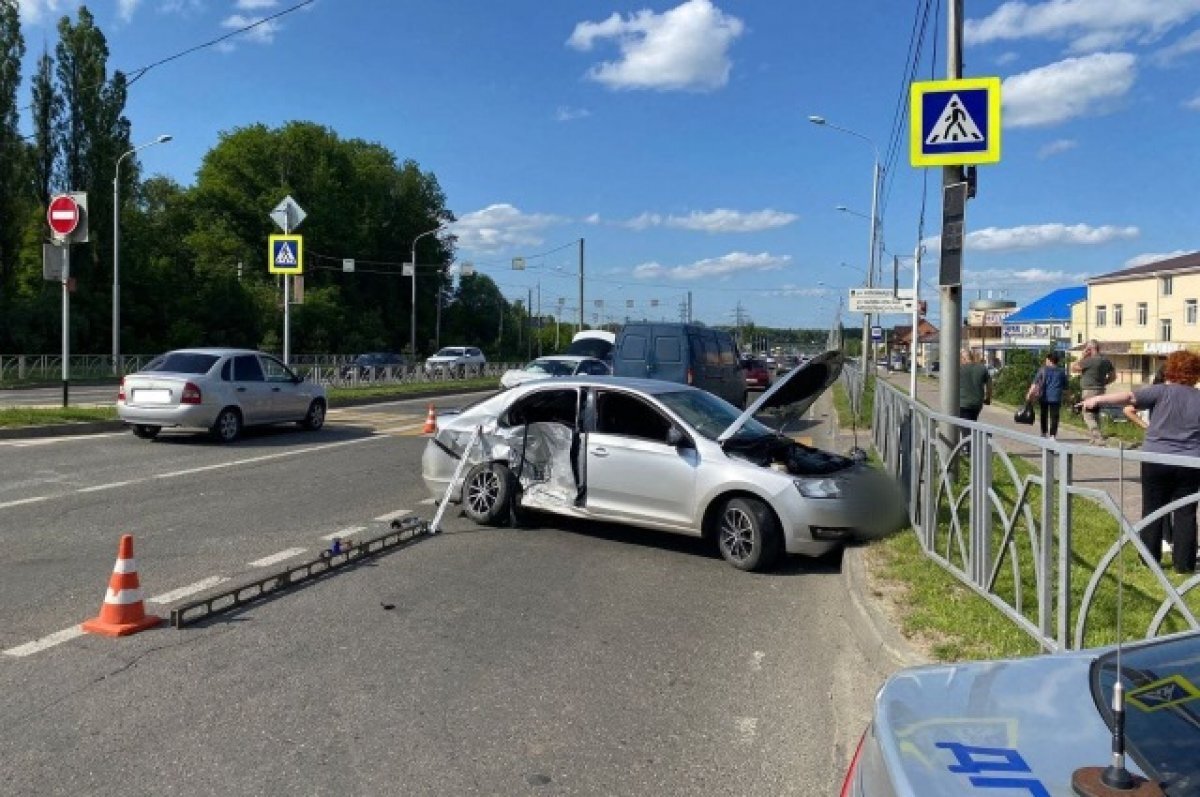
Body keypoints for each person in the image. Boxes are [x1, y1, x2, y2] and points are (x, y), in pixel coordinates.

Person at [1081, 350, 1200, 573]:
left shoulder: (1160, 392)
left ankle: (1149, 560)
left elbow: (1128, 398)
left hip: (1156, 460)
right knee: (1186, 513)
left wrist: (1096, 398)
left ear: (1171, 369)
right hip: (1191, 463)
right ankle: (1184, 565)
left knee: (1153, 509)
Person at [1072, 339, 1117, 444]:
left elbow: (1073, 368)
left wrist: (1082, 356)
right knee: (1095, 413)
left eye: (1086, 348)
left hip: (1089, 391)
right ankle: (1094, 437)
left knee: (1087, 414)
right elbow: (1113, 376)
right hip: (1101, 390)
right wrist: (1104, 383)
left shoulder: (1088, 361)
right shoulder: (1106, 361)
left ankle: (1097, 437)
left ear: (1090, 349)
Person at [1028, 350, 1068, 439]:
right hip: (1056, 397)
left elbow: (1035, 383)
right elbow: (1065, 387)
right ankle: (1052, 435)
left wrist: (1029, 394)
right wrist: (1066, 397)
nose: (1046, 361)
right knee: (1054, 416)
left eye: (1046, 359)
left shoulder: (1042, 370)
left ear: (1049, 360)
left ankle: (1043, 433)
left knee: (1043, 415)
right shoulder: (1061, 372)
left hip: (1044, 396)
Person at [957, 349, 991, 421]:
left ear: (964, 358)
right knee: (973, 421)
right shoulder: (982, 368)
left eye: (961, 359)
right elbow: (989, 386)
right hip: (977, 403)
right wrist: (988, 398)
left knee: (966, 426)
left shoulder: (959, 369)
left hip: (963, 404)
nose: (960, 361)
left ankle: (969, 432)